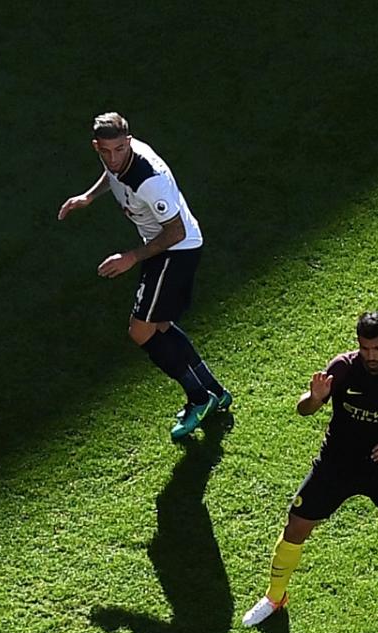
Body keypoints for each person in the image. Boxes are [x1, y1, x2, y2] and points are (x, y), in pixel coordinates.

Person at [242, 311, 378, 629]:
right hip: (336, 463)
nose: (371, 356)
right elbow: (304, 409)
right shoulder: (343, 368)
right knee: (296, 527)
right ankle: (275, 597)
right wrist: (314, 399)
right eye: (365, 348)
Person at [58, 112, 230, 443]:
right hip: (165, 247)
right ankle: (215, 392)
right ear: (97, 146)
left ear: (130, 142)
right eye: (106, 151)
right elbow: (111, 174)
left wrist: (130, 258)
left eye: (119, 150)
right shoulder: (117, 157)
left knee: (140, 331)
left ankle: (199, 398)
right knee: (161, 326)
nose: (113, 157)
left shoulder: (149, 180)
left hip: (175, 249)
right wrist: (88, 197)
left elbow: (176, 231)